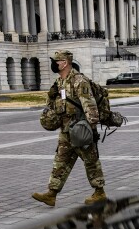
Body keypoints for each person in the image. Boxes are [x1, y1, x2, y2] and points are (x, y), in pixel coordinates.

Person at [32, 50, 106, 206]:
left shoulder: (79, 80)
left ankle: (99, 192)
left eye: (56, 61)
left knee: (90, 161)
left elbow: (89, 105)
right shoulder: (60, 82)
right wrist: (51, 97)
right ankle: (51, 194)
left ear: (64, 63)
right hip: (66, 130)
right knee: (61, 161)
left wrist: (91, 130)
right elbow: (54, 104)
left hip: (80, 129)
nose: (54, 64)